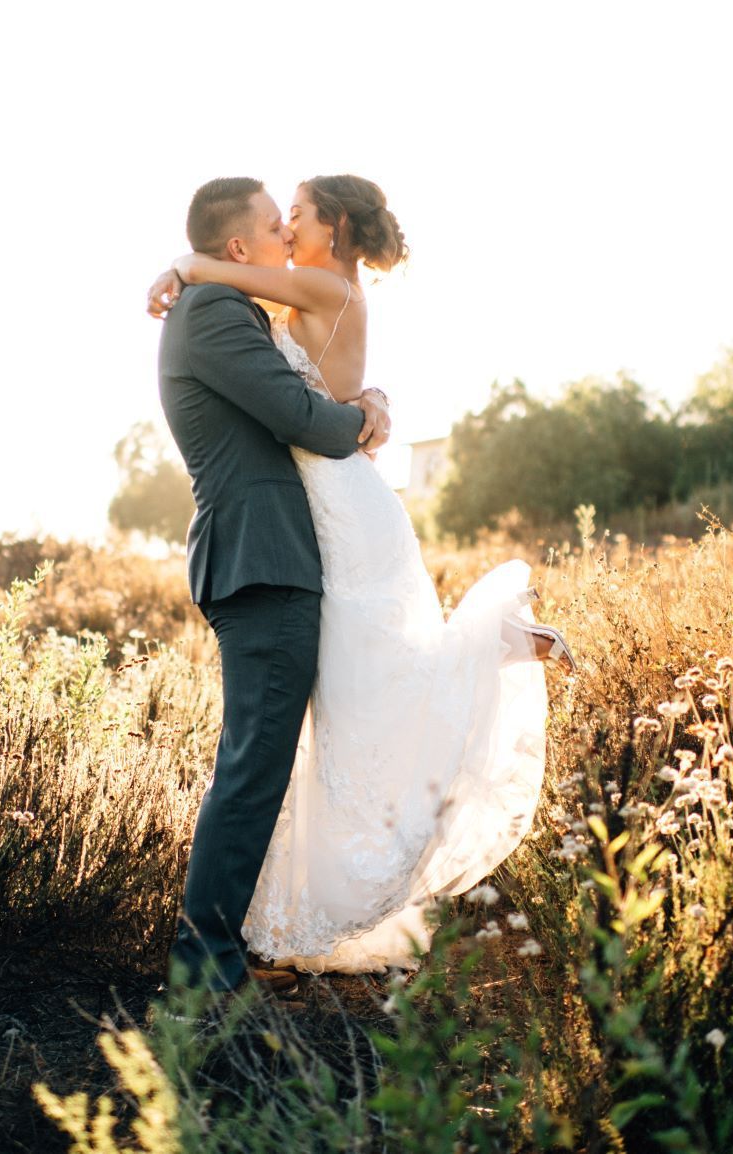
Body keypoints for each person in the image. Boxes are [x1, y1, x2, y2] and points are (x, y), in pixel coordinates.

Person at [150, 176, 570, 987]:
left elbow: (313, 374)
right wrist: (366, 415)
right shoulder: (213, 309)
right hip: (262, 557)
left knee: (290, 740)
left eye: (294, 219)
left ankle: (216, 954)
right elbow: (303, 416)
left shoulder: (238, 302)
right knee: (254, 761)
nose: (284, 233)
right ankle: (204, 966)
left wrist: (364, 398)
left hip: (292, 549)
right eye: (275, 225)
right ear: (239, 249)